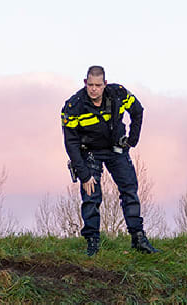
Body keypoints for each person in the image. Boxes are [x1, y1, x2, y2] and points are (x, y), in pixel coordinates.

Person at [61, 65, 157, 256]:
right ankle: (93, 243)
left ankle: (138, 238)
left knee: (129, 190)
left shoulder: (118, 94)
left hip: (116, 148)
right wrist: (83, 173)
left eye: (98, 85)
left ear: (105, 84)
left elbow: (137, 111)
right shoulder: (74, 106)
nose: (94, 89)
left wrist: (132, 140)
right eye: (90, 85)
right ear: (85, 83)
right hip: (89, 152)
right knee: (91, 196)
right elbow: (70, 142)